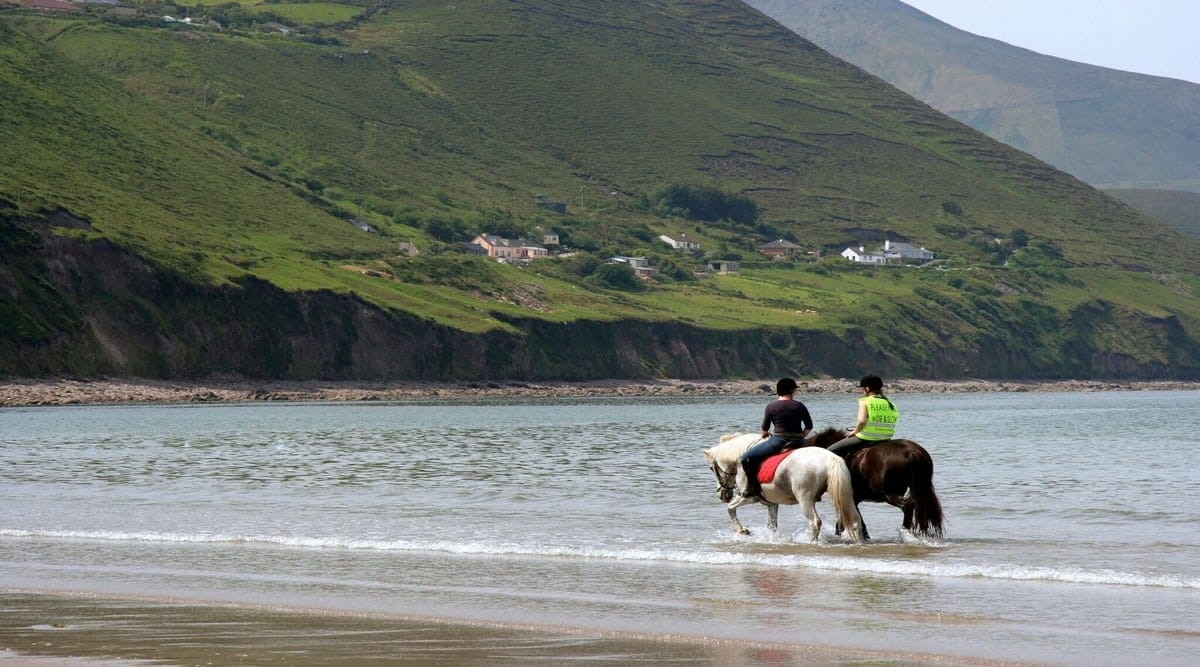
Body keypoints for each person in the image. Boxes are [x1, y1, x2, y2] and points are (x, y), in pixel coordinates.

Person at [739, 377, 813, 499]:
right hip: (799, 441)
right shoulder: (800, 406)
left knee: (745, 458)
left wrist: (764, 434)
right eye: (795, 390)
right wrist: (800, 437)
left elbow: (765, 429)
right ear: (792, 391)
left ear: (779, 391)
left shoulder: (771, 407)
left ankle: (753, 488)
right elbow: (809, 426)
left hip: (779, 441)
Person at [827, 374, 897, 460]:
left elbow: (862, 421)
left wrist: (855, 432)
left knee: (830, 450)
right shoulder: (891, 404)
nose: (863, 392)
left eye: (863, 389)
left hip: (866, 438)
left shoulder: (865, 401)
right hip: (885, 439)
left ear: (867, 389)